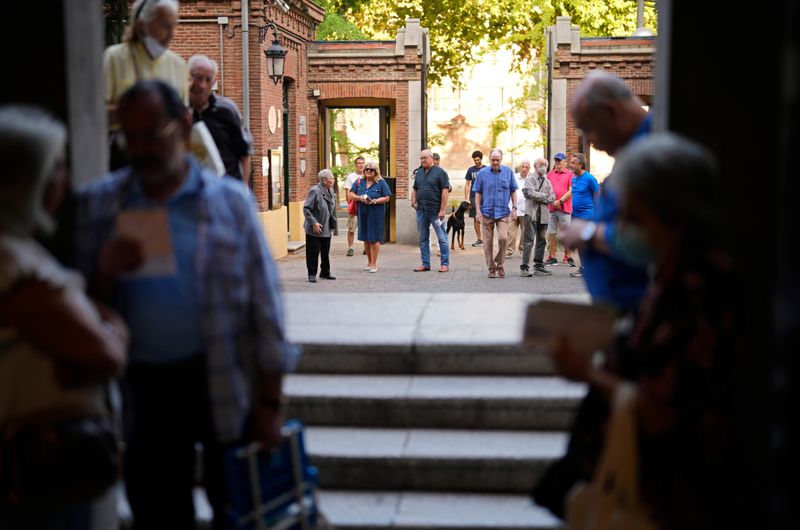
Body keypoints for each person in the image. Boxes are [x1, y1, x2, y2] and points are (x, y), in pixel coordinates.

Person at [73, 80, 298, 530]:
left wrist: (270, 406)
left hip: (221, 381)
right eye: (129, 138)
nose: (140, 149)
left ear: (182, 125)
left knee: (238, 513)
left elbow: (266, 312)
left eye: (152, 134)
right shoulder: (99, 206)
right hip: (142, 391)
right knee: (156, 514)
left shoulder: (229, 204)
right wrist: (103, 273)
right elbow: (73, 312)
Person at [545, 134, 741, 530]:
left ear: (666, 210)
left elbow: (661, 410)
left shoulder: (697, 288)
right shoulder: (672, 274)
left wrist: (587, 373)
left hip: (669, 499)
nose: (620, 228)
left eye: (631, 215)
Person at [0, 106, 128, 529]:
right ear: (26, 180)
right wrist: (108, 326)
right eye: (57, 167)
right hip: (41, 473)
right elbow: (107, 353)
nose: (66, 180)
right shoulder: (16, 267)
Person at [559, 70, 651, 311]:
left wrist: (587, 233)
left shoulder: (650, 155)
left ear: (611, 112)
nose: (590, 142)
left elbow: (652, 241)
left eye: (588, 129)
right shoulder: (633, 153)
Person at [104, 0, 186, 131]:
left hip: (165, 149)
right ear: (142, 25)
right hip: (126, 147)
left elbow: (183, 116)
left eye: (174, 26)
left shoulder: (178, 64)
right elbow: (95, 114)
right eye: (165, 26)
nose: (172, 34)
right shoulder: (114, 57)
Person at [188, 55, 252, 182]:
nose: (202, 85)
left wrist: (242, 190)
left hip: (225, 188)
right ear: (188, 77)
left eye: (208, 80)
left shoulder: (227, 110)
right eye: (198, 78)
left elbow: (244, 152)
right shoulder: (177, 109)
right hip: (191, 190)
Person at [473, 148, 518, 278]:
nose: (495, 162)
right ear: (489, 159)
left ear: (501, 160)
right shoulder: (482, 173)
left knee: (503, 238)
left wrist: (514, 208)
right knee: (487, 242)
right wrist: (478, 211)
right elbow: (478, 193)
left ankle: (500, 264)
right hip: (486, 212)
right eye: (493, 160)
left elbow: (513, 191)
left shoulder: (508, 172)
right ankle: (491, 268)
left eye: (498, 160)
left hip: (503, 212)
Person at [411, 149, 450, 272]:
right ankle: (425, 264)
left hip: (436, 211)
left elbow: (445, 191)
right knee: (423, 238)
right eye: (421, 158)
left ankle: (444, 264)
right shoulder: (420, 173)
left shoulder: (440, 173)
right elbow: (415, 189)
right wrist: (413, 202)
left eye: (425, 158)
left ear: (431, 158)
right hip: (421, 210)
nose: (423, 160)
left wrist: (443, 210)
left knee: (442, 238)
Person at [350, 161, 391, 273]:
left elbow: (387, 197)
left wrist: (375, 201)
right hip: (363, 213)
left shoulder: (381, 182)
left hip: (376, 214)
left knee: (374, 238)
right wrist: (359, 198)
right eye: (366, 169)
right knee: (366, 238)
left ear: (375, 171)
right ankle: (369, 261)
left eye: (371, 169)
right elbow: (351, 194)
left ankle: (374, 264)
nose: (368, 171)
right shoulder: (359, 182)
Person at [520, 158, 555, 277]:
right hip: (531, 213)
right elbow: (530, 193)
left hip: (544, 215)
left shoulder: (548, 182)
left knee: (542, 241)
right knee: (528, 241)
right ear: (535, 166)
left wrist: (538, 196)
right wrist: (545, 196)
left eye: (546, 164)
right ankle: (524, 267)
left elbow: (553, 198)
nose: (544, 166)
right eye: (541, 164)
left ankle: (538, 266)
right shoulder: (529, 179)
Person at [567, 153, 599, 278]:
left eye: (574, 163)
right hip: (575, 215)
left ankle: (593, 268)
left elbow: (598, 195)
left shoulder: (590, 178)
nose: (571, 165)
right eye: (571, 162)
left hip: (588, 215)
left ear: (581, 164)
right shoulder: (574, 179)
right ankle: (584, 267)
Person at [303, 169, 337, 283]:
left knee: (325, 251)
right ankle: (312, 274)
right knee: (313, 252)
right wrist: (313, 222)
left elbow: (331, 207)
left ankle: (325, 272)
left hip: (326, 226)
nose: (334, 180)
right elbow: (306, 209)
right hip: (315, 227)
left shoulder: (330, 190)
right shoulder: (315, 191)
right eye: (331, 178)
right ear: (324, 180)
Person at [544, 152, 574, 266]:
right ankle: (552, 256)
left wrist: (560, 201)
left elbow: (571, 191)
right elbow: (545, 189)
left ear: (564, 162)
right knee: (551, 233)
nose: (557, 162)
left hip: (564, 207)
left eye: (560, 160)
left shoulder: (570, 174)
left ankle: (568, 256)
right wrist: (551, 201)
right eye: (556, 160)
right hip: (552, 208)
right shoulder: (550, 174)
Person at [506, 159, 530, 257]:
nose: (524, 169)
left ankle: (523, 250)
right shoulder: (514, 177)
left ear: (529, 169)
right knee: (511, 232)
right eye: (522, 167)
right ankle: (509, 251)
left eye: (526, 167)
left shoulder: (531, 179)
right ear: (520, 167)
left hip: (526, 210)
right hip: (513, 209)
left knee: (525, 232)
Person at [344, 156, 365, 257]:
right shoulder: (351, 177)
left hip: (365, 206)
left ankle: (366, 248)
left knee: (365, 227)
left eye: (362, 163)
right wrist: (350, 204)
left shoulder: (367, 176)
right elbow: (347, 191)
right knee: (351, 228)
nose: (361, 165)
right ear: (355, 165)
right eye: (359, 163)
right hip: (354, 206)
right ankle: (350, 248)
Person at [464, 150, 485, 246]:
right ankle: (479, 239)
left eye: (478, 160)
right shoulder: (470, 170)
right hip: (473, 196)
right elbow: (467, 184)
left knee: (486, 218)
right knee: (476, 218)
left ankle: (487, 238)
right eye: (475, 160)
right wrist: (466, 198)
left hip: (485, 197)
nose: (476, 162)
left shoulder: (486, 169)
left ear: (481, 159)